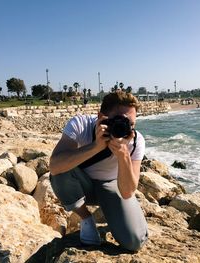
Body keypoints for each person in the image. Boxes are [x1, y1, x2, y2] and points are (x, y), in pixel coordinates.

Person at [49, 91, 148, 251]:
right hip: (80, 185)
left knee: (135, 241)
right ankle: (86, 218)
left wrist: (123, 155)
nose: (124, 127)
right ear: (101, 116)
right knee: (60, 172)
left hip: (112, 186)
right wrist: (95, 147)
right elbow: (54, 165)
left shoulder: (135, 141)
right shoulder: (81, 124)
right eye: (119, 121)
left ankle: (114, 214)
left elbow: (128, 192)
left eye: (130, 124)